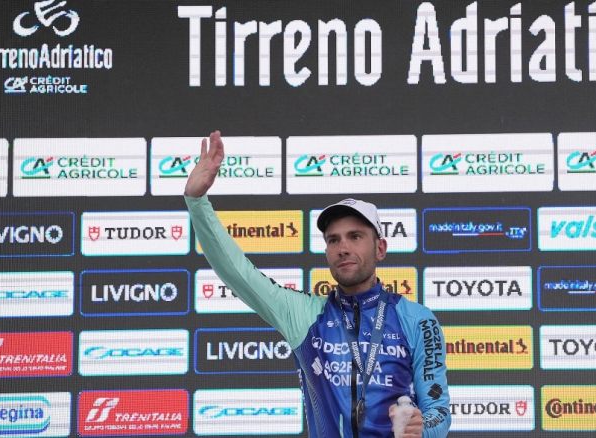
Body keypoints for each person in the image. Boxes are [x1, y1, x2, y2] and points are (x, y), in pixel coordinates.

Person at [184, 131, 451, 437]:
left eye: (355, 237)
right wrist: (197, 202)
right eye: (333, 240)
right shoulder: (304, 314)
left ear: (380, 248)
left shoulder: (417, 319)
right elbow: (237, 272)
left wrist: (422, 427)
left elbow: (439, 411)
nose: (343, 248)